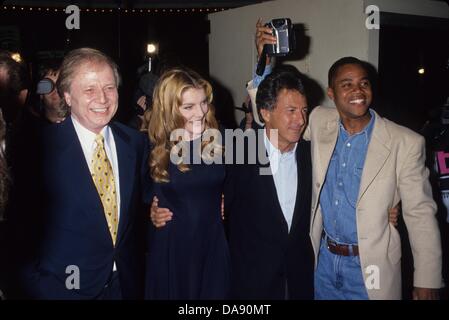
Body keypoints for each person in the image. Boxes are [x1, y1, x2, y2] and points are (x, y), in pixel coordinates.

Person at [251, 21, 442, 299]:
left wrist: (427, 281)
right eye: (347, 84)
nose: (358, 90)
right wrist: (263, 65)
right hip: (322, 263)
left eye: (364, 83)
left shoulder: (405, 142)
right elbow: (266, 115)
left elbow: (421, 215)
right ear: (332, 93)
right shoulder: (317, 121)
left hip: (370, 269)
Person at [16, 48, 147, 299]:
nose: (103, 98)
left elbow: (141, 209)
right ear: (67, 96)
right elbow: (19, 240)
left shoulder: (134, 143)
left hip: (126, 287)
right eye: (89, 90)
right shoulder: (37, 150)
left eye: (109, 88)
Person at [142, 67, 230, 299]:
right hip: (174, 247)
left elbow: (241, 181)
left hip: (212, 242)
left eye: (203, 103)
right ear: (170, 109)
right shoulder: (152, 145)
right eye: (188, 107)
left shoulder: (218, 137)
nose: (200, 112)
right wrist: (150, 212)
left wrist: (227, 200)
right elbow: (134, 200)